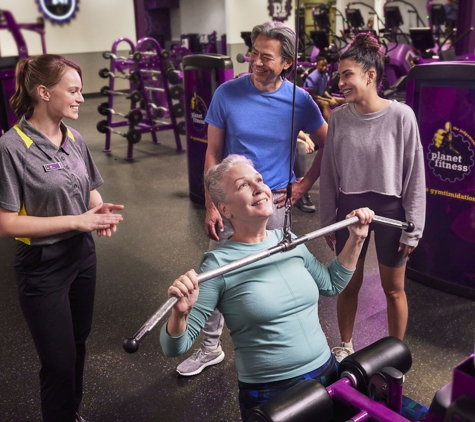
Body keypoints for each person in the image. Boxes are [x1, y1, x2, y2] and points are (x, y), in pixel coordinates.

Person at [160, 155, 374, 421]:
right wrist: (180, 313)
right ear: (225, 210)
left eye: (259, 180)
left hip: (326, 372)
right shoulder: (217, 265)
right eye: (243, 185)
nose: (259, 187)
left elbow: (330, 284)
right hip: (272, 391)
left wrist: (357, 239)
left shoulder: (289, 241)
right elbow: (174, 347)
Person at [176, 21, 328, 377]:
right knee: (216, 275)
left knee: (269, 281)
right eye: (254, 53)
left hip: (274, 204)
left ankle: (276, 352)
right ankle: (211, 347)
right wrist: (213, 204)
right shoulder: (227, 93)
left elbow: (329, 141)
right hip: (233, 203)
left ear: (287, 62)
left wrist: (304, 184)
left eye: (267, 57)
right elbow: (212, 154)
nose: (256, 62)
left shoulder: (299, 100)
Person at [0, 54, 124, 422]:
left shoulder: (74, 138)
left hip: (82, 257)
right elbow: (6, 224)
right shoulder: (11, 146)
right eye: (72, 90)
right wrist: (76, 221)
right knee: (58, 361)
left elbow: (89, 192)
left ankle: (70, 413)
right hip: (42, 267)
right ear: (43, 92)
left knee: (78, 345)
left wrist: (98, 211)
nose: (81, 98)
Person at [319, 33, 426, 362]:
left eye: (347, 74)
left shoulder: (401, 116)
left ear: (371, 76)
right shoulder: (338, 119)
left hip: (392, 211)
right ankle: (346, 346)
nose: (340, 82)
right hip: (349, 210)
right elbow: (329, 173)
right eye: (339, 75)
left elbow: (415, 175)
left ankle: (395, 354)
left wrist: (414, 228)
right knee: (348, 285)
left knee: (393, 289)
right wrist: (327, 223)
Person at [304, 56, 345, 122]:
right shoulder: (313, 77)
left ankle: (344, 121)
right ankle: (330, 126)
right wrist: (329, 100)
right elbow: (313, 95)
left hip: (320, 96)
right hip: (311, 99)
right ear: (317, 66)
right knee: (325, 104)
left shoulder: (325, 75)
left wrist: (331, 98)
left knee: (343, 100)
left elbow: (324, 91)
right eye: (322, 66)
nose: (325, 68)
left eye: (325, 65)